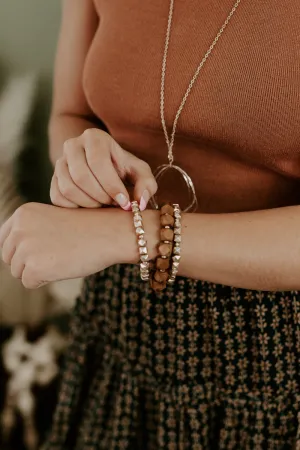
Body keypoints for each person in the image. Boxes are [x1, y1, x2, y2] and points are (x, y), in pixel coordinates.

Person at [0, 0, 299, 448]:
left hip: (275, 350)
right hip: (121, 320)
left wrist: (131, 235)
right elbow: (71, 116)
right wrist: (81, 161)